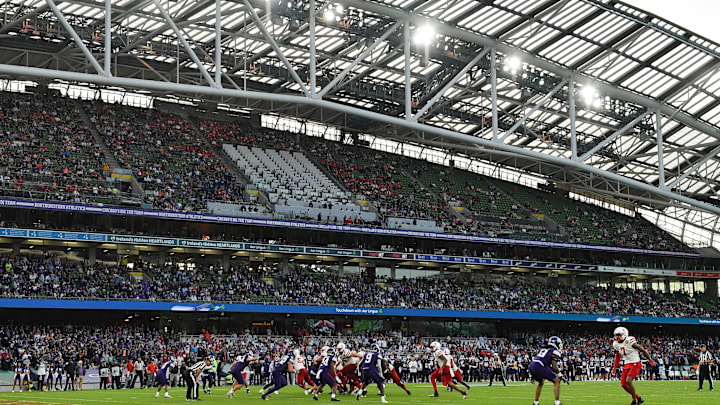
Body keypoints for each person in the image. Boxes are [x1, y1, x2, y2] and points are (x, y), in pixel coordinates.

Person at [611, 327, 655, 405]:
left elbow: (642, 350)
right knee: (623, 384)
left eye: (619, 335)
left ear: (624, 335)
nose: (617, 337)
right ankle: (639, 398)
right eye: (616, 335)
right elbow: (617, 357)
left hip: (635, 363)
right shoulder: (615, 344)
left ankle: (634, 400)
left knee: (628, 380)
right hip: (627, 364)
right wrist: (614, 368)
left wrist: (650, 360)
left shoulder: (630, 341)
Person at [528, 336, 565, 405]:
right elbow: (554, 366)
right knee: (557, 381)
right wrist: (560, 375)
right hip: (539, 365)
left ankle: (536, 403)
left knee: (541, 382)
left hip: (532, 365)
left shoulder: (543, 349)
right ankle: (557, 403)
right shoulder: (554, 351)